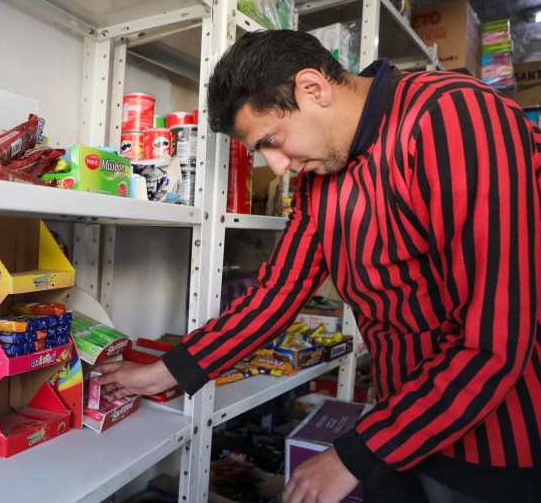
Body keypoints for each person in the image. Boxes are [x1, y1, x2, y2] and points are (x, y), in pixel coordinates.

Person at [96, 29, 541, 503]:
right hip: (394, 428)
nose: (279, 166)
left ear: (313, 88)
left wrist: (357, 453)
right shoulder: (323, 174)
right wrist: (164, 372)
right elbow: (274, 296)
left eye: (273, 140)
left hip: (491, 452)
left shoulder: (456, 117)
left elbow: (496, 340)